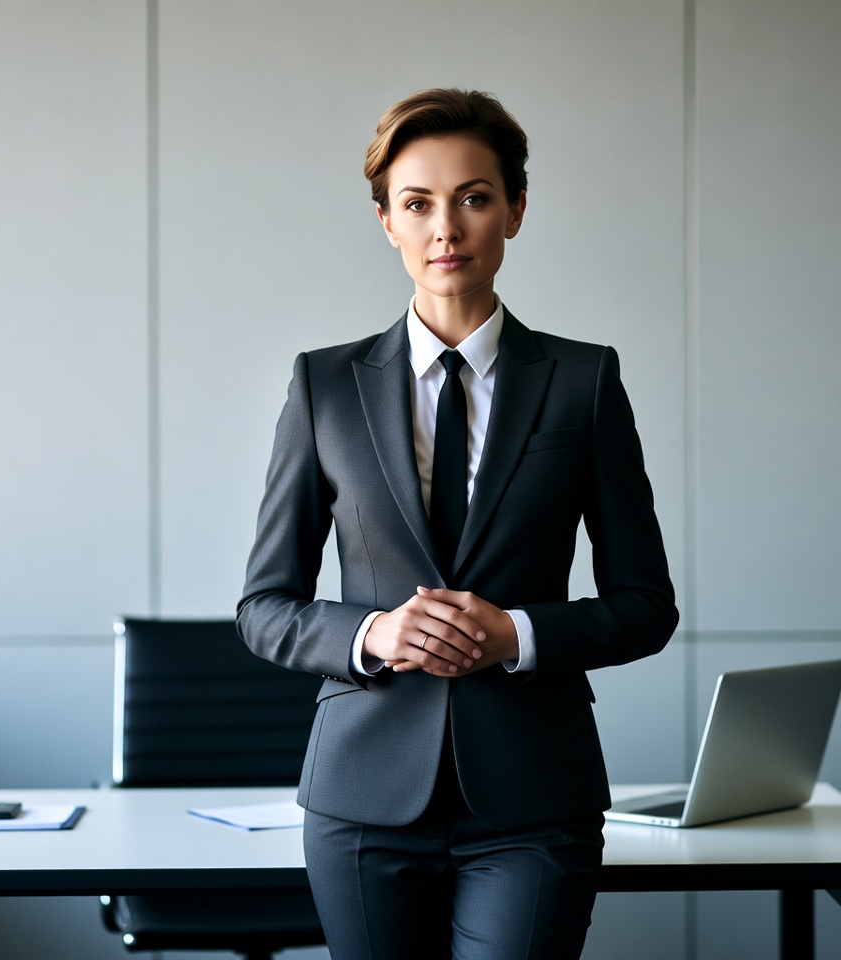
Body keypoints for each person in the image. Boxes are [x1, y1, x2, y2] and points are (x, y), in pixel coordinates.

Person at [237, 88, 678, 960]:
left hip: (532, 796)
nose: (447, 228)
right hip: (362, 799)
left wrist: (514, 635)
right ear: (386, 223)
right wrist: (375, 632)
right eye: (418, 203)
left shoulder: (584, 383)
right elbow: (264, 607)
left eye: (474, 197)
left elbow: (645, 603)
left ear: (515, 209)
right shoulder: (324, 386)